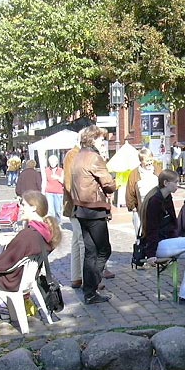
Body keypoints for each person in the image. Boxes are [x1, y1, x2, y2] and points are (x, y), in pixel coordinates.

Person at [140, 170, 185, 305]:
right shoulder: (155, 202)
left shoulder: (167, 198)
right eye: (176, 182)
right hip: (158, 245)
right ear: (166, 183)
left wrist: (177, 239)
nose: (178, 185)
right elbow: (152, 229)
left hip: (168, 242)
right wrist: (151, 254)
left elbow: (173, 224)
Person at [70, 125, 117, 304]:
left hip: (80, 209)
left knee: (90, 252)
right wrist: (113, 183)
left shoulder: (77, 156)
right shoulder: (93, 157)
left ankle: (89, 292)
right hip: (94, 208)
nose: (102, 142)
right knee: (104, 249)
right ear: (93, 139)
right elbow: (108, 184)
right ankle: (91, 286)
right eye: (101, 139)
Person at [0, 190, 61, 292]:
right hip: (25, 277)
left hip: (12, 280)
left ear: (33, 208)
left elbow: (3, 263)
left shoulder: (28, 235)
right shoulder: (46, 231)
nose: (20, 208)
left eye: (23, 205)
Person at [63, 140, 85, 289]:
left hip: (76, 203)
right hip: (77, 205)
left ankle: (76, 276)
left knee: (77, 241)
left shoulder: (78, 154)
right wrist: (79, 200)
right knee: (82, 241)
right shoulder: (74, 155)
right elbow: (70, 182)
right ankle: (85, 277)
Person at [126, 148, 162, 236]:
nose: (149, 163)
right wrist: (132, 206)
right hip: (141, 207)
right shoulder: (134, 174)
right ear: (141, 161)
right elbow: (130, 190)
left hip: (157, 206)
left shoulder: (158, 170)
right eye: (147, 161)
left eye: (151, 160)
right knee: (142, 233)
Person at [44, 154, 64, 223]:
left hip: (58, 192)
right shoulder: (46, 170)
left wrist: (57, 178)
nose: (52, 163)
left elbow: (64, 181)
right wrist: (43, 191)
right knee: (50, 210)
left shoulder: (61, 170)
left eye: (53, 162)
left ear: (57, 162)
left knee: (58, 210)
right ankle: (52, 224)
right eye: (51, 162)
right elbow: (44, 181)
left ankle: (58, 223)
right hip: (49, 192)